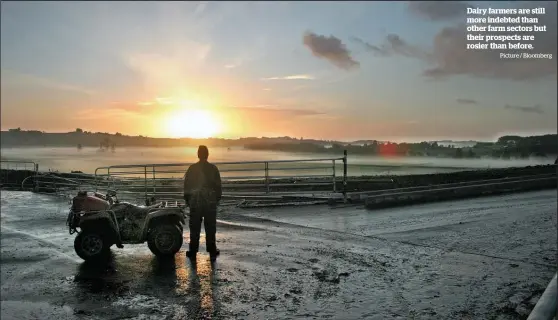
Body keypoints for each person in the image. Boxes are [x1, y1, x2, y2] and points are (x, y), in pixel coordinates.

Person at [183, 145, 222, 261]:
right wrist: (216, 199)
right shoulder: (213, 168)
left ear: (198, 155)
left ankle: (193, 250)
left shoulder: (192, 168)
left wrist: (188, 200)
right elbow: (218, 186)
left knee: (194, 227)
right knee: (210, 227)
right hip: (210, 202)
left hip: (195, 202)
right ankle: (212, 250)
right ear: (207, 154)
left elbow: (187, 186)